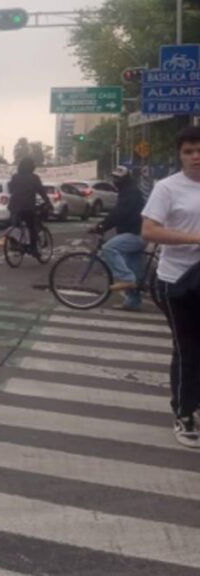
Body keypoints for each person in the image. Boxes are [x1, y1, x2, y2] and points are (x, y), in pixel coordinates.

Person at [141, 126, 200, 449]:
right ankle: (184, 413)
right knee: (187, 348)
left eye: (199, 150)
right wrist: (196, 239)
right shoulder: (168, 188)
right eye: (189, 151)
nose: (195, 157)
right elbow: (149, 231)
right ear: (180, 156)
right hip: (175, 283)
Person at [93, 166, 146, 310]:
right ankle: (133, 301)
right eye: (114, 177)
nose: (115, 180)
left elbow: (118, 213)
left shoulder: (130, 193)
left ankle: (127, 280)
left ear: (125, 179)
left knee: (109, 248)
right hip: (135, 233)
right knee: (134, 269)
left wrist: (102, 227)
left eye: (118, 178)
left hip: (135, 234)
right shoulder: (129, 191)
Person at [7, 158, 53, 258]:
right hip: (27, 206)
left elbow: (10, 190)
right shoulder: (34, 178)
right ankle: (33, 249)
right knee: (32, 226)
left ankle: (15, 244)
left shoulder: (15, 177)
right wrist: (48, 202)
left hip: (14, 206)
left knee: (15, 225)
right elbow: (41, 191)